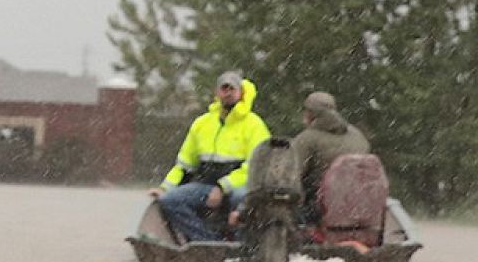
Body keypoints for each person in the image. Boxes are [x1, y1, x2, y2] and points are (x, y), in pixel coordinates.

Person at [149, 71, 271, 243]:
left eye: (232, 88)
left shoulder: (255, 125)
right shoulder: (201, 123)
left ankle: (241, 247)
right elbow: (184, 165)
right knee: (170, 201)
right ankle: (208, 243)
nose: (227, 92)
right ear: (217, 92)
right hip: (206, 185)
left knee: (241, 199)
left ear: (241, 93)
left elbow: (255, 166)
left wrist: (223, 187)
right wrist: (164, 188)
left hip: (241, 186)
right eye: (224, 88)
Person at [234, 91, 372, 228]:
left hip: (319, 211)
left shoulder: (307, 140)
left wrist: (244, 210)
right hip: (360, 208)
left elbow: (286, 179)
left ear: (310, 114)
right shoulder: (358, 137)